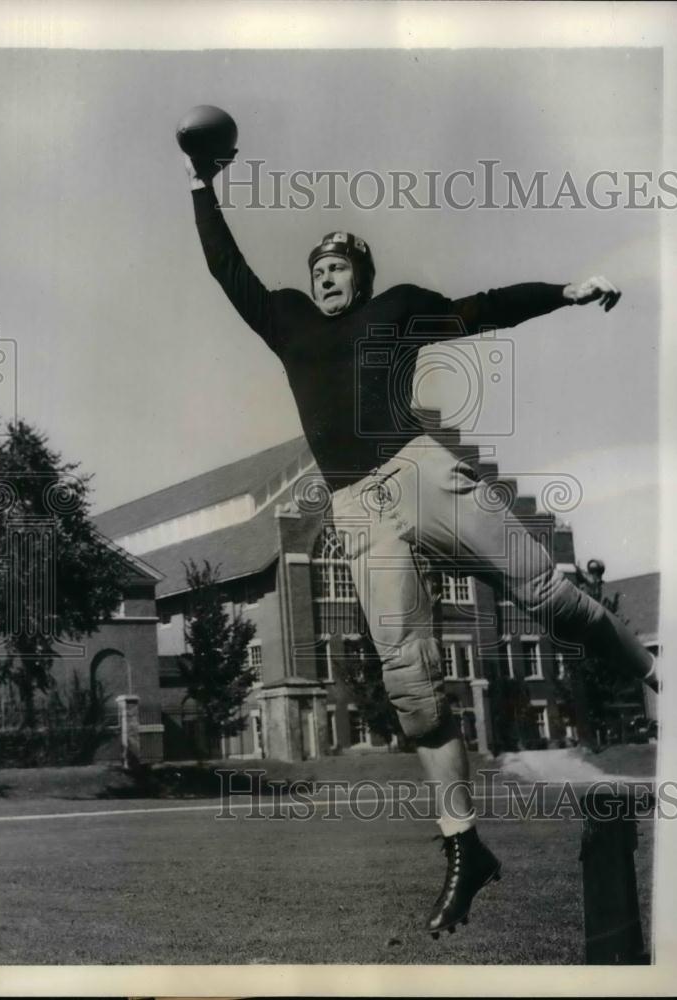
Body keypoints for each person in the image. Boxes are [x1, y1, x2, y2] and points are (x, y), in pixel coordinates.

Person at [181, 149, 658, 937]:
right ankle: (465, 847)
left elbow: (481, 308)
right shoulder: (289, 319)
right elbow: (226, 267)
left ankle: (654, 673)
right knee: (411, 684)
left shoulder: (396, 308)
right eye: (320, 267)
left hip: (415, 469)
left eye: (341, 266)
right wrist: (204, 181)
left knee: (544, 593)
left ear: (363, 277)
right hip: (355, 508)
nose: (329, 277)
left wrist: (566, 293)